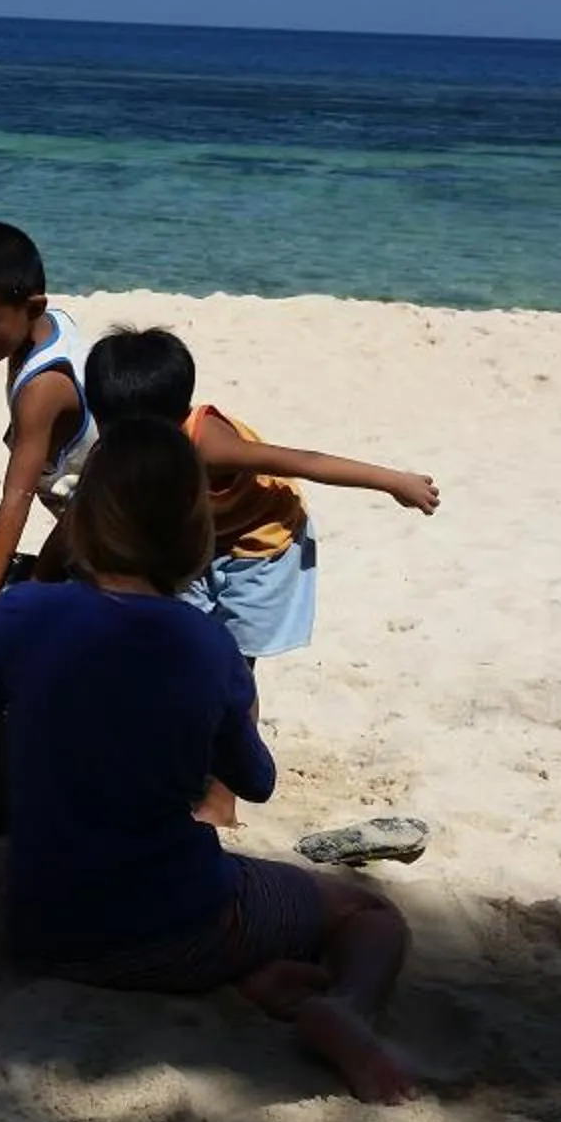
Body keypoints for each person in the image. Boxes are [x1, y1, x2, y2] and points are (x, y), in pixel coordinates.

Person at [0, 417, 419, 1103]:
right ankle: (348, 1012)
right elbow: (257, 781)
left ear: (82, 523)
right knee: (367, 917)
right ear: (195, 535)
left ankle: (250, 979)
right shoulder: (206, 644)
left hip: (40, 928)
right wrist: (232, 712)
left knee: (217, 913)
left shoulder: (18, 614)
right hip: (172, 923)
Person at [83, 326, 440, 824]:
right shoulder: (118, 443)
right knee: (174, 649)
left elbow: (302, 461)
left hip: (264, 547)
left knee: (234, 665)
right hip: (198, 540)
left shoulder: (209, 445)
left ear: (173, 423)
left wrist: (392, 482)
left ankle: (223, 796)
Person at [0, 220, 94, 596]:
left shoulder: (42, 389)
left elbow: (17, 497)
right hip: (86, 522)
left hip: (117, 537)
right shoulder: (49, 324)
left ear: (33, 306)